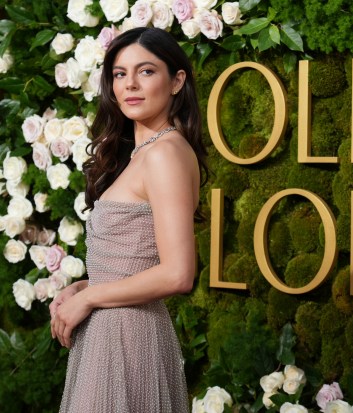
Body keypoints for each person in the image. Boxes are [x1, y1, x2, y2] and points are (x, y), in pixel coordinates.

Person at [49, 27, 207, 413]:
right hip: (115, 333)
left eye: (147, 71)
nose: (130, 85)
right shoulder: (145, 152)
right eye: (120, 74)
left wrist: (91, 297)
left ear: (177, 81)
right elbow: (137, 259)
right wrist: (85, 285)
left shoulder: (164, 154)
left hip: (127, 338)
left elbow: (177, 274)